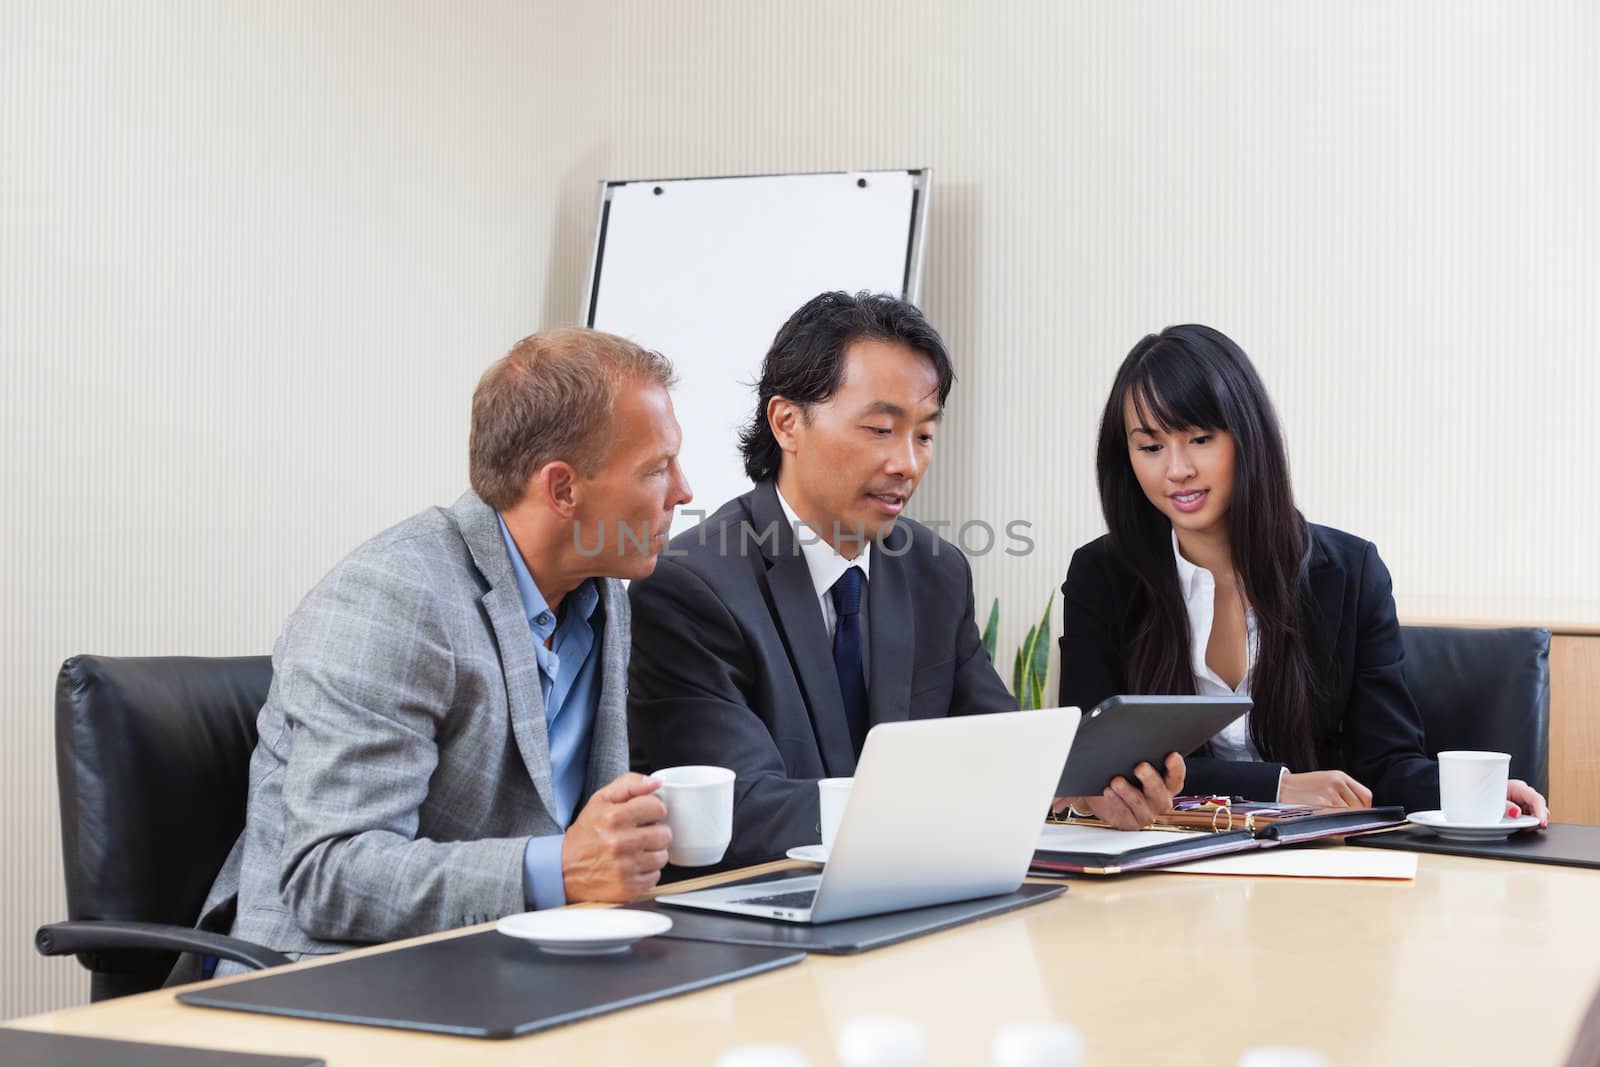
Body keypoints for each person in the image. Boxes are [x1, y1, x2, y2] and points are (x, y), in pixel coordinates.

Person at [197, 328, 695, 973]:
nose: (683, 492)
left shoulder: (604, 590)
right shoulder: (392, 599)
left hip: (510, 959)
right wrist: (560, 867)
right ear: (563, 489)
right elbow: (330, 875)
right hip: (326, 973)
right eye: (657, 469)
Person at [627, 291, 1183, 867]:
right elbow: (741, 810)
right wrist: (940, 803)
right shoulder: (689, 586)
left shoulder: (934, 573)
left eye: (924, 435)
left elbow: (1003, 750)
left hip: (919, 900)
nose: (908, 464)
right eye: (879, 430)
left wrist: (1078, 790)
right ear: (787, 423)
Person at [1058, 323, 1549, 820]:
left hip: (1315, 863)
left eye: (1200, 438)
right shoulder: (1101, 577)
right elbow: (1092, 767)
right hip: (1167, 859)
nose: (1177, 469)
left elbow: (1386, 764)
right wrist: (1276, 785)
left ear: (1247, 437)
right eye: (1151, 447)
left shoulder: (1350, 573)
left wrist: (1475, 790)